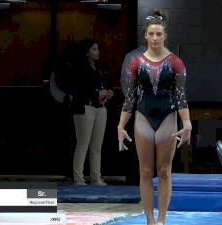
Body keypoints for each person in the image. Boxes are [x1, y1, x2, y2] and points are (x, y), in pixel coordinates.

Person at [117, 9, 191, 225]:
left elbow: (180, 96)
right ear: (146, 36)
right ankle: (150, 221)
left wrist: (187, 123)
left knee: (165, 171)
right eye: (152, 34)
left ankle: (161, 220)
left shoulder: (176, 62)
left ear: (165, 36)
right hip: (143, 116)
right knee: (146, 170)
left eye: (159, 34)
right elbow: (130, 97)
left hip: (168, 116)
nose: (156, 38)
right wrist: (121, 126)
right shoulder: (136, 62)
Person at [71, 38, 113, 186]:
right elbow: (78, 89)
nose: (97, 51)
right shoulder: (79, 68)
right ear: (86, 52)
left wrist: (108, 92)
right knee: (83, 145)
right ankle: (79, 178)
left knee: (96, 147)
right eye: (94, 49)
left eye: (97, 49)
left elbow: (108, 83)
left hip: (101, 108)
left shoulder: (101, 66)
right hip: (85, 107)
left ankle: (96, 178)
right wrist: (96, 93)